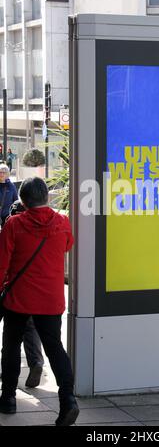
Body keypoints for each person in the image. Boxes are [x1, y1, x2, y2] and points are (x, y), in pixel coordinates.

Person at [0, 177, 79, 426]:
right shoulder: (63, 223)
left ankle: (8, 398)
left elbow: (1, 264)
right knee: (55, 349)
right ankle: (68, 401)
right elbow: (68, 244)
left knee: (11, 347)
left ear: (22, 201)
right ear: (46, 197)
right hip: (51, 300)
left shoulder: (13, 224)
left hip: (18, 299)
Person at [8, 200, 44, 388]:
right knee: (31, 329)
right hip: (36, 293)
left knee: (11, 339)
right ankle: (36, 362)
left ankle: (7, 376)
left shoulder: (12, 230)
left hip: (14, 293)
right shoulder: (43, 231)